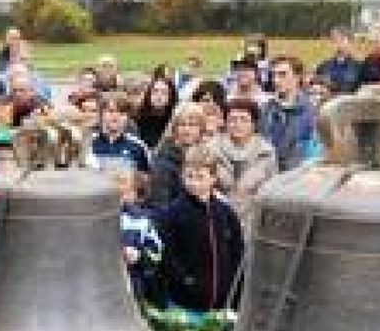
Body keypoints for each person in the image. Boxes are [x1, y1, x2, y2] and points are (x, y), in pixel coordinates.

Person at [157, 146, 244, 314]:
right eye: (189, 177)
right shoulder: (173, 213)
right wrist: (185, 279)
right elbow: (167, 254)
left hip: (223, 301)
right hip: (185, 301)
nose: (194, 183)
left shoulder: (225, 213)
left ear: (213, 178)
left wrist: (234, 285)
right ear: (182, 176)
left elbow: (237, 252)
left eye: (200, 177)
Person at [217, 99, 278, 227]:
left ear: (253, 124)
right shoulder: (211, 149)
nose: (237, 124)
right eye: (233, 119)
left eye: (243, 119)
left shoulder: (266, 152)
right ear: (225, 122)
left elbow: (271, 192)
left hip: (252, 222)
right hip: (218, 220)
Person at [259, 55, 321, 171]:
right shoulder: (265, 110)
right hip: (267, 174)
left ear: (297, 77)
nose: (276, 80)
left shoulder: (313, 112)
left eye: (283, 74)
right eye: (274, 75)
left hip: (297, 176)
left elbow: (313, 152)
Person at [117, 169, 163, 306]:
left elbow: (156, 253)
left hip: (134, 289)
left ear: (135, 195)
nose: (119, 196)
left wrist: (139, 255)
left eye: (124, 191)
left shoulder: (142, 221)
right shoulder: (94, 220)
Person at [89, 92, 149, 172]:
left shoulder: (139, 147)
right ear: (101, 114)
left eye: (121, 112)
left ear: (128, 117)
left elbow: (146, 178)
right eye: (111, 111)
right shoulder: (88, 144)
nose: (115, 116)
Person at [315, 27, 361, 95]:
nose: (337, 43)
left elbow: (352, 88)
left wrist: (331, 87)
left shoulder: (358, 67)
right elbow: (316, 83)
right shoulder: (323, 66)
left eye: (341, 39)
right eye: (334, 40)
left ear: (350, 42)